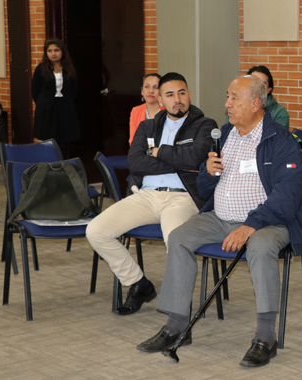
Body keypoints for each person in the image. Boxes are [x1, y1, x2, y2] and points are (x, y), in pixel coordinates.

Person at [136, 75, 302, 368]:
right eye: (227, 96)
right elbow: (205, 190)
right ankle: (177, 326)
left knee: (260, 247)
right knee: (179, 237)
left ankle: (266, 338)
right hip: (220, 216)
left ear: (256, 104)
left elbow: (289, 193)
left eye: (234, 98)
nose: (227, 103)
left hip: (269, 222)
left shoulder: (280, 140)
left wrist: (251, 224)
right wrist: (208, 171)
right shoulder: (225, 133)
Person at [86, 72, 215, 315]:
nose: (177, 99)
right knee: (96, 230)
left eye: (182, 93)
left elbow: (195, 158)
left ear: (189, 95)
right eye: (170, 94)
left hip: (183, 197)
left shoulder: (205, 125)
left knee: (176, 242)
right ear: (160, 99)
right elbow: (135, 164)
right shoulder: (147, 126)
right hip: (146, 195)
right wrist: (178, 160)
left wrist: (157, 152)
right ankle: (138, 284)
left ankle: (177, 313)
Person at [31, 38, 79, 157]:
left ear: (62, 52)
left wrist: (67, 102)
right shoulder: (41, 68)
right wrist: (42, 103)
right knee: (48, 140)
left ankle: (61, 165)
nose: (53, 53)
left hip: (64, 107)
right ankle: (49, 165)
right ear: (46, 53)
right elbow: (34, 90)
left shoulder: (69, 68)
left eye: (56, 50)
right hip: (47, 108)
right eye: (50, 51)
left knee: (63, 138)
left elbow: (74, 90)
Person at [129, 73, 163, 145]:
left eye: (156, 87)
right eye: (147, 87)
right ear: (142, 91)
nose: (151, 91)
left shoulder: (168, 111)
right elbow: (133, 140)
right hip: (141, 152)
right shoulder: (135, 111)